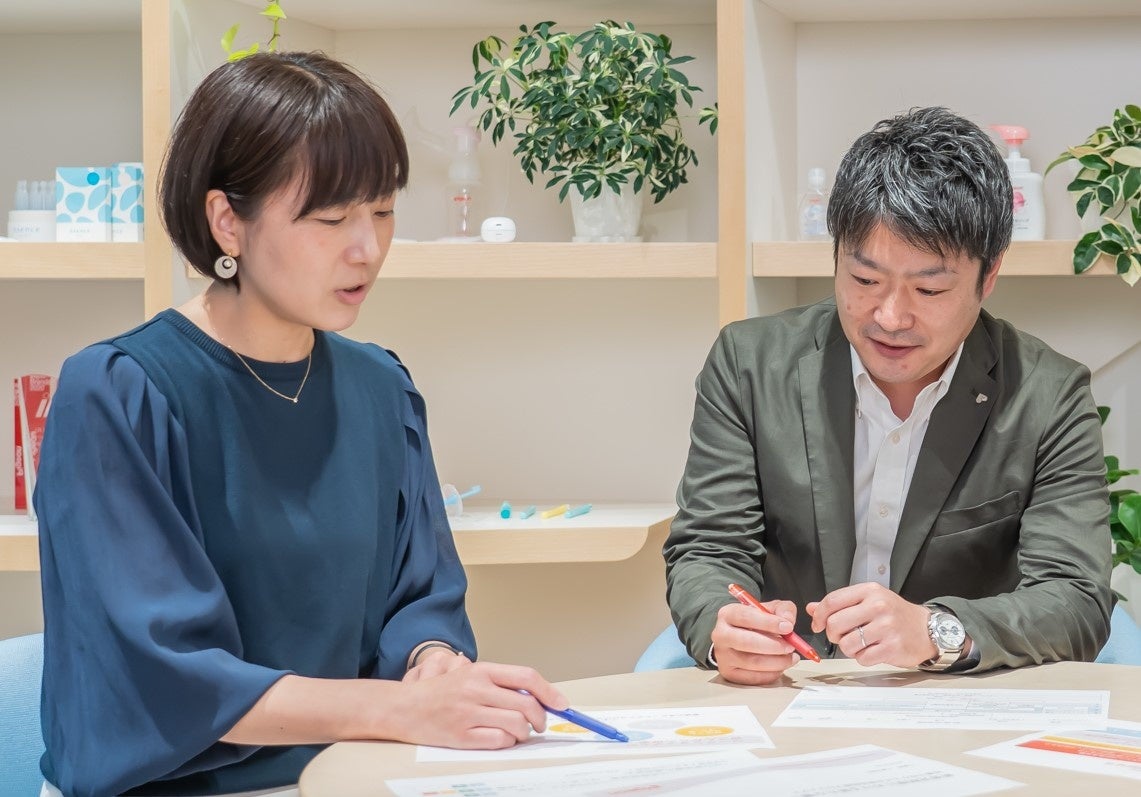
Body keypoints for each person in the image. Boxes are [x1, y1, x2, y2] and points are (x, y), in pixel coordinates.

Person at [34, 51, 567, 797]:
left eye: (382, 211)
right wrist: (402, 708)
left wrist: (434, 663)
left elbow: (420, 596)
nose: (367, 248)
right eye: (331, 218)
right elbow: (168, 672)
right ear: (228, 222)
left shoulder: (381, 388)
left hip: (357, 773)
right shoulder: (120, 392)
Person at [664, 106, 1113, 686]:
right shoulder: (749, 365)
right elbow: (709, 549)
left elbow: (1076, 599)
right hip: (790, 692)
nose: (890, 317)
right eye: (865, 280)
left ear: (990, 275)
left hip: (953, 700)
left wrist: (936, 630)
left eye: (929, 289)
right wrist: (723, 627)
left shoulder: (1048, 395)